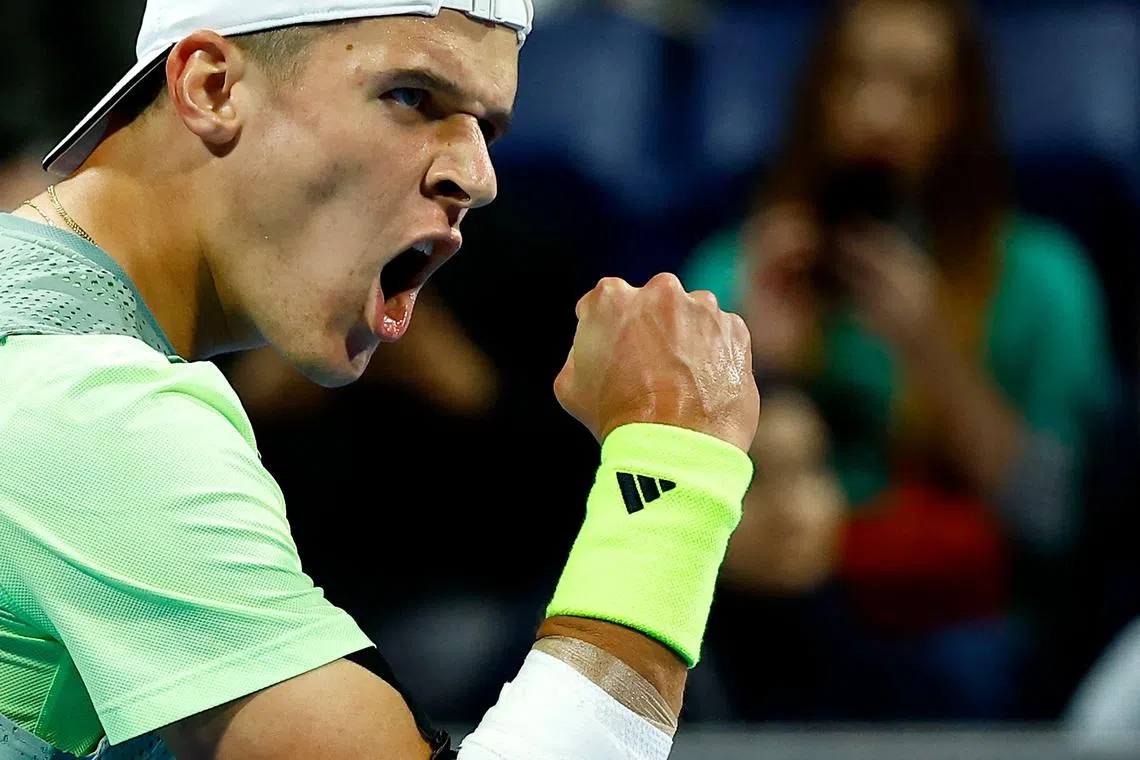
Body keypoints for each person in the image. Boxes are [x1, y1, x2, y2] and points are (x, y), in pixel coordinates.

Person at [0, 1, 761, 759]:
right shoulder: (93, 405)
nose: (478, 178)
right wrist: (672, 466)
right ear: (211, 87)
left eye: (487, 130)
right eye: (411, 97)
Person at [685, 0, 1116, 721]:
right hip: (769, 611)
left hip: (948, 613)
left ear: (963, 112)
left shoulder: (1044, 278)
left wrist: (933, 351)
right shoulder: (737, 273)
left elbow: (1053, 520)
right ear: (818, 97)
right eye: (856, 77)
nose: (881, 113)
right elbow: (669, 506)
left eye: (920, 88)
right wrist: (764, 360)